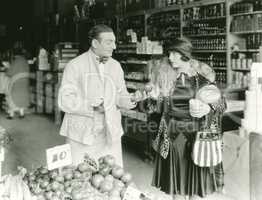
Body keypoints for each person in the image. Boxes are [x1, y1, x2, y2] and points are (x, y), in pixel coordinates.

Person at [146, 38, 226, 200]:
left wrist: (207, 108)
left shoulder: (203, 77)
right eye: (169, 53)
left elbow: (221, 103)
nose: (170, 57)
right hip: (173, 136)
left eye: (174, 53)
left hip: (197, 136)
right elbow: (156, 108)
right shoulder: (164, 77)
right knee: (176, 187)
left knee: (196, 187)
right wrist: (153, 98)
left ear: (185, 55)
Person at [58, 24, 137, 167]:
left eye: (114, 42)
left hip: (109, 132)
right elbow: (65, 100)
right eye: (109, 42)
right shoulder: (75, 65)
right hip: (81, 134)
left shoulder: (116, 66)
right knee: (79, 176)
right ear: (95, 43)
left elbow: (121, 95)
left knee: (110, 179)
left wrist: (131, 99)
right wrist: (91, 106)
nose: (114, 47)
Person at [5, 45, 30, 119]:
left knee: (11, 96)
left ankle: (11, 115)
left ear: (15, 55)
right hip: (25, 81)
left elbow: (9, 73)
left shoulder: (15, 61)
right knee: (23, 97)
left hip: (16, 82)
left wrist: (7, 67)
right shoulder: (25, 61)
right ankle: (21, 114)